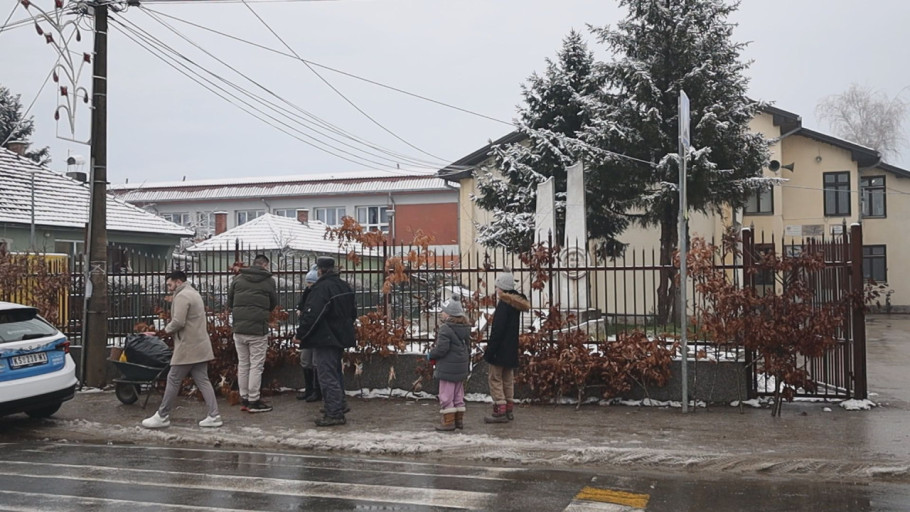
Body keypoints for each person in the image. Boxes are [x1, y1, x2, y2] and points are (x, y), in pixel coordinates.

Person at [142, 270, 222, 429]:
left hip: (188, 346)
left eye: (170, 284)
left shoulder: (182, 296)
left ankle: (162, 415)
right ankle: (214, 415)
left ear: (178, 282)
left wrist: (163, 331)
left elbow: (178, 321)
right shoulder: (193, 293)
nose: (169, 288)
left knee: (173, 378)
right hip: (200, 344)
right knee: (203, 380)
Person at [294, 256, 356, 427]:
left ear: (320, 270)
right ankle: (339, 404)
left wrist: (301, 334)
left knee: (326, 375)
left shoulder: (321, 288)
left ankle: (334, 413)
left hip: (325, 337)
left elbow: (313, 314)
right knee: (335, 372)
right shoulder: (344, 286)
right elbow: (353, 313)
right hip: (340, 336)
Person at [227, 254, 278, 413]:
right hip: (257, 329)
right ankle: (254, 400)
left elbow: (230, 302)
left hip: (239, 328)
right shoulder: (269, 281)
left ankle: (244, 398)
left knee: (243, 363)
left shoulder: (238, 279)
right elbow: (273, 303)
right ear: (265, 265)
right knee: (256, 365)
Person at [483, 271, 530, 424]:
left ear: (502, 288)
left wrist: (490, 351)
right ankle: (509, 408)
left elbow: (497, 330)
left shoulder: (504, 305)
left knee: (495, 379)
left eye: (498, 287)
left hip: (499, 350)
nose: (496, 290)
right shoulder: (514, 305)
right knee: (508, 379)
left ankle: (500, 410)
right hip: (510, 349)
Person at [427, 293, 471, 431]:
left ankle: (448, 422)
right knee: (458, 394)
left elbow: (442, 349)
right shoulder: (465, 327)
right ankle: (459, 421)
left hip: (448, 368)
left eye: (444, 311)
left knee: (446, 394)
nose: (442, 313)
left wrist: (431, 354)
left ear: (449, 314)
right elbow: (468, 347)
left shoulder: (445, 329)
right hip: (461, 366)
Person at [295, 264, 322, 402]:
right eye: (308, 283)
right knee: (306, 361)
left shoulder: (318, 294)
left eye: (311, 283)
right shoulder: (307, 292)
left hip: (313, 332)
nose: (309, 285)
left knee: (315, 361)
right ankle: (310, 389)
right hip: (307, 332)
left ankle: (316, 390)